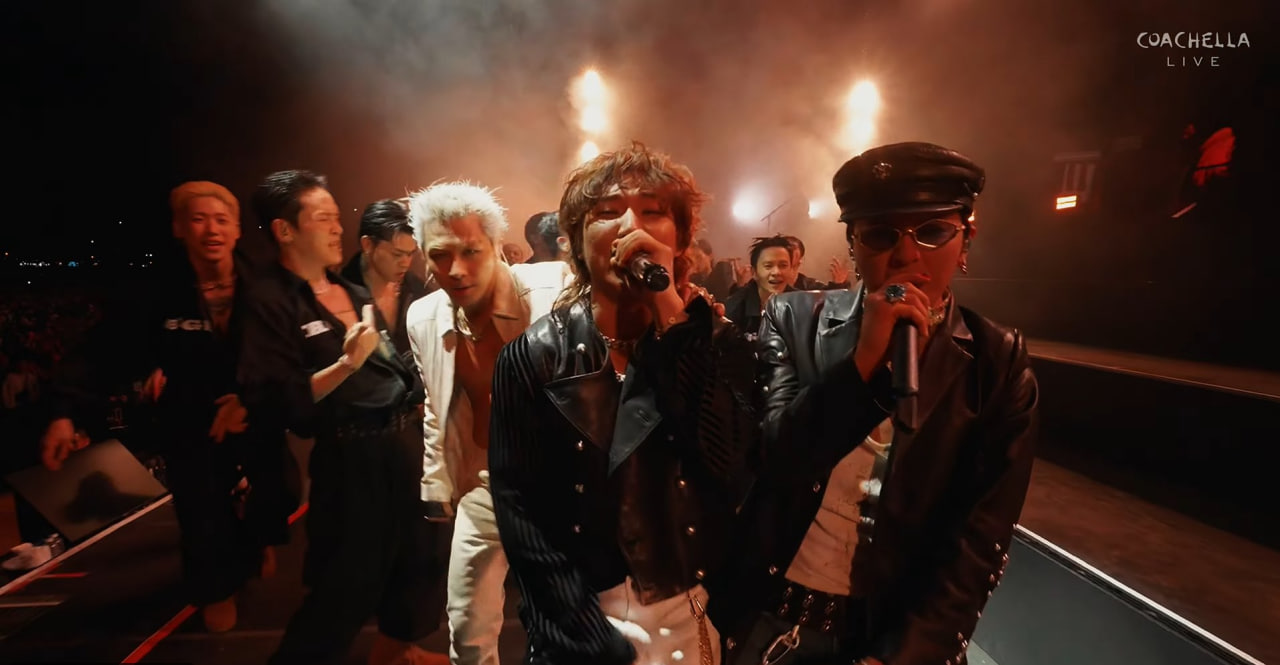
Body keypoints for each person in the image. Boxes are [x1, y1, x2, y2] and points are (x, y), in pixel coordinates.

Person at [708, 142, 1039, 665]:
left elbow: (981, 535)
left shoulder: (997, 362)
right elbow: (777, 459)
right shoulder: (794, 320)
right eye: (882, 235)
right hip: (773, 622)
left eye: (932, 231)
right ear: (854, 245)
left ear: (966, 239)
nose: (906, 255)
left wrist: (903, 655)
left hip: (889, 638)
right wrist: (862, 366)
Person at [488, 142, 759, 665]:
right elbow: (521, 513)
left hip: (690, 615)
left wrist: (671, 316)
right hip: (582, 625)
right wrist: (588, 635)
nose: (631, 226)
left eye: (653, 212)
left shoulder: (720, 345)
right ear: (575, 239)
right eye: (608, 212)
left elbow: (730, 465)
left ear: (680, 240)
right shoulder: (532, 357)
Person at [40, 181, 293, 632]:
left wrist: (255, 397)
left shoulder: (265, 285)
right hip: (189, 420)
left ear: (237, 230)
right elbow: (101, 352)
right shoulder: (156, 293)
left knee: (283, 491)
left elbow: (292, 350)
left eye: (221, 220)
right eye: (198, 219)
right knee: (200, 513)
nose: (211, 230)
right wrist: (64, 413)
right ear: (179, 228)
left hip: (253, 412)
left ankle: (255, 537)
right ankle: (216, 589)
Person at [239, 170, 439, 665]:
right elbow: (277, 401)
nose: (337, 228)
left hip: (403, 443)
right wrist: (345, 365)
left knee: (422, 558)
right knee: (346, 583)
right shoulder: (270, 300)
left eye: (336, 218)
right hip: (350, 459)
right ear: (285, 230)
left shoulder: (351, 291)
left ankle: (397, 651)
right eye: (323, 218)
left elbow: (394, 370)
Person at [404, 181, 571, 665]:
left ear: (497, 246)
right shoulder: (423, 317)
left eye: (470, 251)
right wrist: (436, 482)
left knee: (571, 623)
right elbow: (437, 403)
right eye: (439, 255)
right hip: (484, 483)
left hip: (560, 486)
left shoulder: (553, 291)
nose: (455, 269)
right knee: (468, 627)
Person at [340, 198, 431, 358]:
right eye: (397, 254)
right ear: (368, 244)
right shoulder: (341, 293)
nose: (406, 263)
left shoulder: (416, 289)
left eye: (410, 254)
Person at [722, 235, 797, 339]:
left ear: (791, 269)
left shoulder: (802, 305)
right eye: (768, 266)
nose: (776, 272)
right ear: (754, 272)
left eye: (783, 265)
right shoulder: (734, 308)